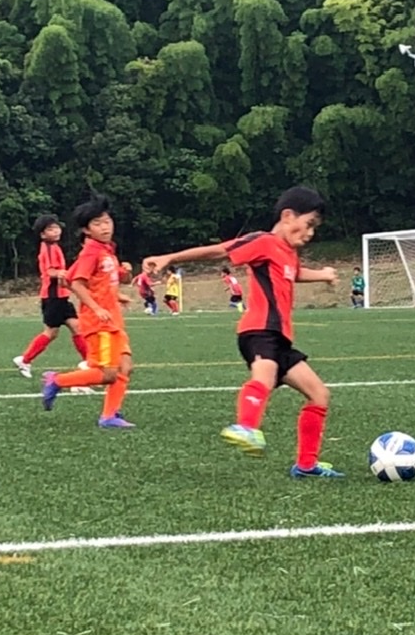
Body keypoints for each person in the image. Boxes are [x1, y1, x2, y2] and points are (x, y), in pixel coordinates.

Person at [144, 186, 342, 478]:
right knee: (264, 377)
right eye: (308, 224)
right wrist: (170, 258)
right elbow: (220, 251)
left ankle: (306, 465)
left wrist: (323, 275)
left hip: (279, 337)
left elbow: (293, 273)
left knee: (319, 394)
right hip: (258, 330)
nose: (310, 233)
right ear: (288, 216)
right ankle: (245, 427)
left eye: (315, 228)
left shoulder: (288, 253)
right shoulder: (263, 241)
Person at [41, 194, 135, 428]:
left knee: (125, 367)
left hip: (113, 319)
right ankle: (57, 380)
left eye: (107, 221)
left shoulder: (106, 249)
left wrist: (118, 291)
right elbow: (76, 283)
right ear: (86, 229)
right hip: (99, 321)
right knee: (108, 373)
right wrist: (96, 306)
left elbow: (71, 278)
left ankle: (109, 416)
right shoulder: (91, 251)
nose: (105, 227)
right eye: (97, 223)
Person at [14, 215, 91, 378]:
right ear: (42, 234)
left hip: (62, 297)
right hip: (53, 298)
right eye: (50, 229)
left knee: (77, 328)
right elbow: (50, 271)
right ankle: (25, 360)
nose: (56, 231)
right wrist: (61, 273)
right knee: (51, 333)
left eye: (56, 227)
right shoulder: (48, 248)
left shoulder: (54, 246)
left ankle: (89, 363)